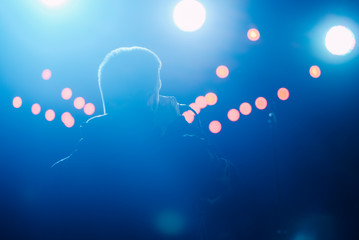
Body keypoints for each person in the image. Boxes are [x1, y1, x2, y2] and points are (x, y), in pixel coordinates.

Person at [41, 47, 233, 240]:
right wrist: (176, 128)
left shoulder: (62, 172)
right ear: (151, 98)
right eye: (158, 90)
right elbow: (223, 180)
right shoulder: (182, 155)